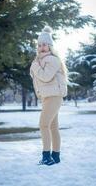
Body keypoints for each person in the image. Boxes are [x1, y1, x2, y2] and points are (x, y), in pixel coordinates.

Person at [30, 25, 69, 166]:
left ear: (50, 46)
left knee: (43, 124)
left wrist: (35, 67)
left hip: (54, 96)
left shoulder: (52, 59)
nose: (41, 47)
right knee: (52, 127)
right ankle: (56, 156)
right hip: (48, 97)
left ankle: (46, 157)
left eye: (44, 44)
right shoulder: (40, 60)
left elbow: (45, 77)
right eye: (39, 45)